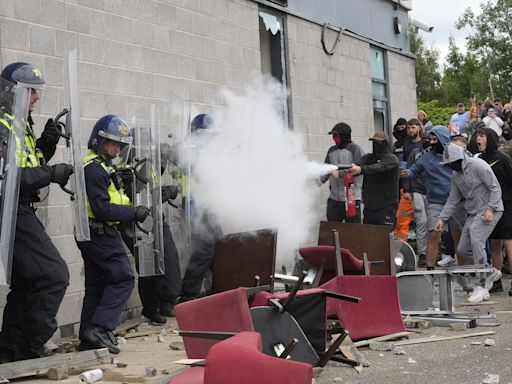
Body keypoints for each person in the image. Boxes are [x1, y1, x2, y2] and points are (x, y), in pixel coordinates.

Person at [0, 63, 71, 363]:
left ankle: (9, 351)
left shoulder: (19, 125)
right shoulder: (2, 125)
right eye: (30, 91)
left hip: (20, 209)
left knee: (29, 281)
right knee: (54, 275)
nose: (36, 98)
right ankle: (30, 345)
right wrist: (52, 173)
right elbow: (9, 179)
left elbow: (31, 164)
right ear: (11, 90)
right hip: (9, 211)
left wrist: (47, 143)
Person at [77, 115, 150, 354]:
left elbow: (113, 196)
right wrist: (133, 212)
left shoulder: (103, 166)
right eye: (112, 143)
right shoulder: (94, 170)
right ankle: (100, 328)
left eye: (120, 145)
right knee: (123, 277)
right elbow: (102, 208)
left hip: (94, 231)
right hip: (99, 231)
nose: (116, 149)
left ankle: (89, 337)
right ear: (99, 140)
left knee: (97, 285)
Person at [435, 143, 503, 303]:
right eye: (448, 164)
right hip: (473, 212)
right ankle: (488, 271)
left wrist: (490, 208)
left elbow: (495, 188)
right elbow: (452, 199)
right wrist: (442, 218)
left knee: (477, 238)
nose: (451, 166)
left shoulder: (478, 165)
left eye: (453, 163)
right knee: (463, 248)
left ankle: (481, 284)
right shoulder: (456, 176)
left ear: (460, 158)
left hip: (490, 210)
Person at [401, 126, 460, 271]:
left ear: (443, 139)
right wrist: (405, 173)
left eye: (435, 139)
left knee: (458, 236)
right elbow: (414, 171)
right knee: (433, 234)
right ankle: (430, 270)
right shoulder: (426, 156)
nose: (432, 142)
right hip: (436, 202)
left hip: (456, 201)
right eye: (430, 139)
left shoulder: (455, 153)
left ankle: (464, 270)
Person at [178, 114, 223, 303]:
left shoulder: (204, 150)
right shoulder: (191, 150)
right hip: (194, 206)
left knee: (220, 245)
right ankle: (188, 295)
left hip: (206, 205)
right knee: (203, 250)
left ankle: (216, 290)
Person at [476, 128, 512, 294]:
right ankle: (495, 281)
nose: (478, 139)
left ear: (490, 138)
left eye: (482, 136)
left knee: (508, 241)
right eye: (477, 136)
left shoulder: (503, 159)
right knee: (494, 242)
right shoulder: (479, 159)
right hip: (490, 207)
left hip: (507, 203)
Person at [348, 132, 399, 227]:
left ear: (385, 143)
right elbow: (356, 167)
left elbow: (378, 167)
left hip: (386, 206)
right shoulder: (367, 158)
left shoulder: (391, 159)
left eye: (378, 142)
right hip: (369, 207)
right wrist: (345, 170)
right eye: (374, 142)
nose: (375, 144)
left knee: (385, 238)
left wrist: (361, 169)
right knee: (369, 238)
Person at [318, 122, 364, 223]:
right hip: (334, 198)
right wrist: (321, 179)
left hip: (351, 198)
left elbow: (358, 169)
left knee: (353, 230)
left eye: (336, 135)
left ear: (343, 136)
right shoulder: (331, 150)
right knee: (332, 228)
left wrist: (340, 174)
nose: (334, 138)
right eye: (333, 136)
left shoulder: (355, 149)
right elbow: (327, 167)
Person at [394, 119, 423, 242]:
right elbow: (402, 168)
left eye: (413, 127)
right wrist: (405, 188)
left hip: (422, 188)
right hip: (406, 188)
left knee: (422, 222)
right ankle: (399, 248)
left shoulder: (423, 144)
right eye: (409, 128)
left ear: (419, 128)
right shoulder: (403, 145)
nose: (410, 130)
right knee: (402, 220)